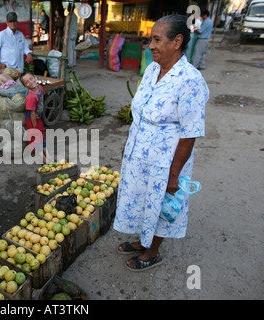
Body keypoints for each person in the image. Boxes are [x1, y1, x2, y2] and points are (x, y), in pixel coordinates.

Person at [114, 15, 208, 272]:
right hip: (139, 152)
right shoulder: (153, 69)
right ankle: (142, 240)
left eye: (157, 39)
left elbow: (190, 133)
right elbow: (141, 110)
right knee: (141, 199)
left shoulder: (190, 80)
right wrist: (129, 142)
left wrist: (174, 174)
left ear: (177, 41)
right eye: (150, 39)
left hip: (166, 160)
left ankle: (152, 251)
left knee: (160, 203)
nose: (151, 45)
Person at [20, 72, 52, 164]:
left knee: (41, 134)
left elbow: (42, 98)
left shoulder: (40, 88)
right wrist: (34, 126)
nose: (30, 82)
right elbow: (32, 113)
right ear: (25, 86)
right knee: (37, 137)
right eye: (26, 82)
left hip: (38, 118)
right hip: (31, 120)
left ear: (35, 78)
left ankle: (48, 155)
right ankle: (44, 159)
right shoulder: (31, 97)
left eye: (31, 78)